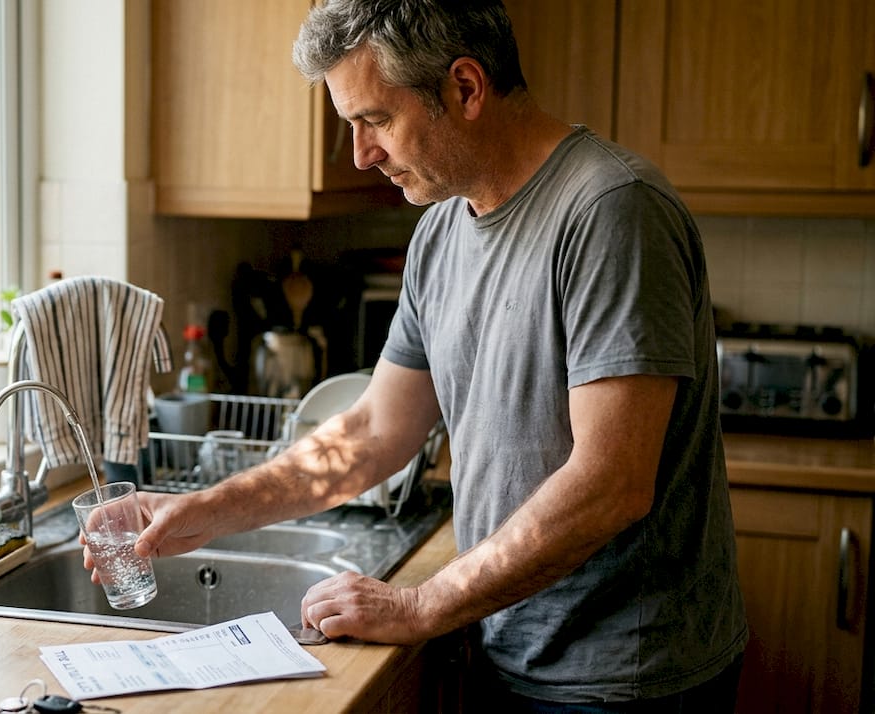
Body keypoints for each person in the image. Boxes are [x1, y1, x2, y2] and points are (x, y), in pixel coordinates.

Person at [94, 0, 748, 709]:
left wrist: (420, 606)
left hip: (627, 678)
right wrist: (204, 510)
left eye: (374, 120)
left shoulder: (611, 211)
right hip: (508, 643)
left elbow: (610, 481)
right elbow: (374, 433)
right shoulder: (441, 233)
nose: (360, 154)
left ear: (465, 88)